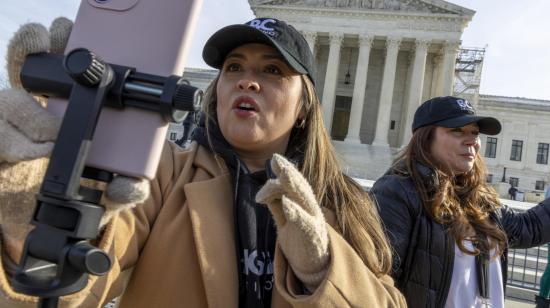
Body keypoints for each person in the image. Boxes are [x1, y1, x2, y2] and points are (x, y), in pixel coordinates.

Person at [0, 17, 406, 307]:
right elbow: (75, 288)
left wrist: (324, 268)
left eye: (273, 70)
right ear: (217, 90)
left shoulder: (346, 201)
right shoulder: (161, 174)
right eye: (234, 68)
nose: (248, 80)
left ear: (304, 108)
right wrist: (28, 232)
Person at [370, 96, 550, 308]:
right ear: (426, 138)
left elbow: (527, 228)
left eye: (474, 132)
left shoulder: (478, 198)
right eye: (457, 130)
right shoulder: (397, 192)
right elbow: (379, 281)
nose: (471, 140)